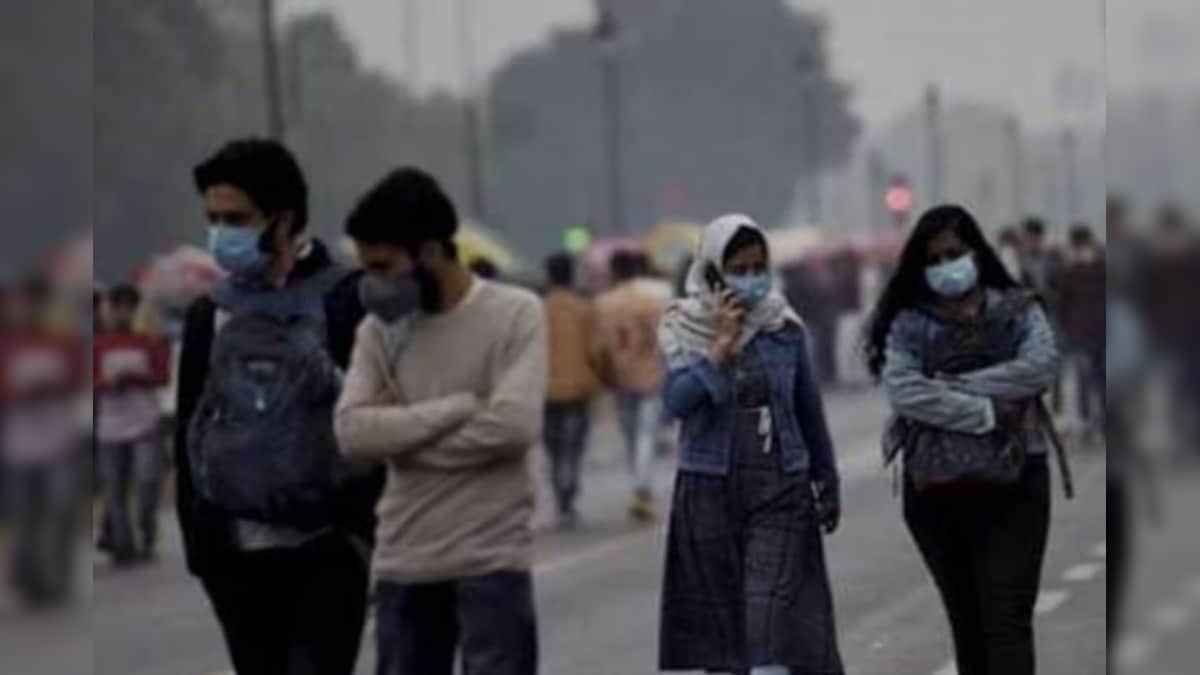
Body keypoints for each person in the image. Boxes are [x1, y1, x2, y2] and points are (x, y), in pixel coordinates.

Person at [174, 139, 378, 675]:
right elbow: (188, 430)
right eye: (214, 219)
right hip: (235, 557)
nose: (221, 234)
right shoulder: (209, 315)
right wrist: (203, 548)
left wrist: (364, 536)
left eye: (237, 219)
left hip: (328, 548)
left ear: (283, 220)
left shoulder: (345, 301)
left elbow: (374, 419)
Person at [335, 167, 546, 675]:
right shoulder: (378, 332)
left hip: (492, 559)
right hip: (403, 561)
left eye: (383, 267)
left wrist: (399, 438)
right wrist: (457, 408)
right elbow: (352, 433)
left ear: (430, 251)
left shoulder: (515, 314)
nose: (372, 285)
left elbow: (513, 427)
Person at [864, 205, 1060, 675]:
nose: (945, 266)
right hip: (937, 490)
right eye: (933, 260)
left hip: (1016, 480)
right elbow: (905, 391)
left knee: (1007, 619)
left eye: (953, 254)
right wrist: (986, 413)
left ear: (976, 252)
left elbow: (1039, 368)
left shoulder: (1017, 310)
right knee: (968, 625)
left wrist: (952, 386)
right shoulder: (909, 323)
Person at [658, 214, 843, 675]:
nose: (751, 278)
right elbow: (677, 402)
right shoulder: (684, 327)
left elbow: (808, 410)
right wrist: (719, 350)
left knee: (769, 621)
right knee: (724, 643)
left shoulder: (783, 328)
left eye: (758, 267)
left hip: (780, 490)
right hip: (708, 492)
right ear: (713, 274)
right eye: (738, 269)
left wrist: (826, 479)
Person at [0, 278, 85, 607]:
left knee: (61, 510)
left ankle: (58, 577)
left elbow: (77, 380)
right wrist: (20, 391)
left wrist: (50, 386)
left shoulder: (62, 343)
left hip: (59, 444)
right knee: (24, 516)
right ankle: (28, 575)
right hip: (19, 447)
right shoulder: (8, 345)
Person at [94, 283, 170, 564]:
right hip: (110, 427)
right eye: (119, 307)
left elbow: (163, 376)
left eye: (129, 307)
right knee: (114, 488)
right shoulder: (99, 344)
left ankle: (147, 533)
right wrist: (107, 383)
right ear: (111, 310)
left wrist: (133, 378)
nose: (124, 313)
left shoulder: (148, 342)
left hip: (144, 423)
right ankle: (123, 544)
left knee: (147, 480)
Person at [594, 250, 672, 521]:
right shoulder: (653, 298)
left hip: (619, 377)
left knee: (630, 435)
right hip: (650, 374)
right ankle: (642, 486)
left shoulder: (604, 303)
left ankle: (639, 484)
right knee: (646, 433)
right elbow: (664, 338)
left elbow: (600, 346)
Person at [541, 252, 602, 527]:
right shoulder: (584, 309)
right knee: (573, 445)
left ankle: (560, 491)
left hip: (545, 390)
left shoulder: (538, 309)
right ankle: (568, 487)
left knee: (553, 445)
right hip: (578, 389)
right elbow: (596, 350)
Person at [1057, 225, 1105, 444]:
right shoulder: (1071, 271)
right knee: (1086, 379)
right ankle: (1088, 422)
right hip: (1082, 334)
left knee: (1098, 380)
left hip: (1096, 333)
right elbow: (1063, 304)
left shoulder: (1101, 268)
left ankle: (1098, 422)